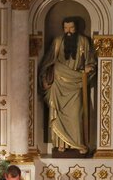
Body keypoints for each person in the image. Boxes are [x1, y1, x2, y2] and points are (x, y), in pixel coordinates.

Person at [39, 17, 97, 154]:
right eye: (66, 28)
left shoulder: (83, 41)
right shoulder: (58, 41)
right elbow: (48, 61)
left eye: (71, 28)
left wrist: (88, 67)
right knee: (59, 114)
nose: (68, 31)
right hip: (58, 85)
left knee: (76, 115)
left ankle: (78, 143)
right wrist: (46, 76)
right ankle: (61, 144)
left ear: (76, 28)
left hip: (76, 84)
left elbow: (90, 61)